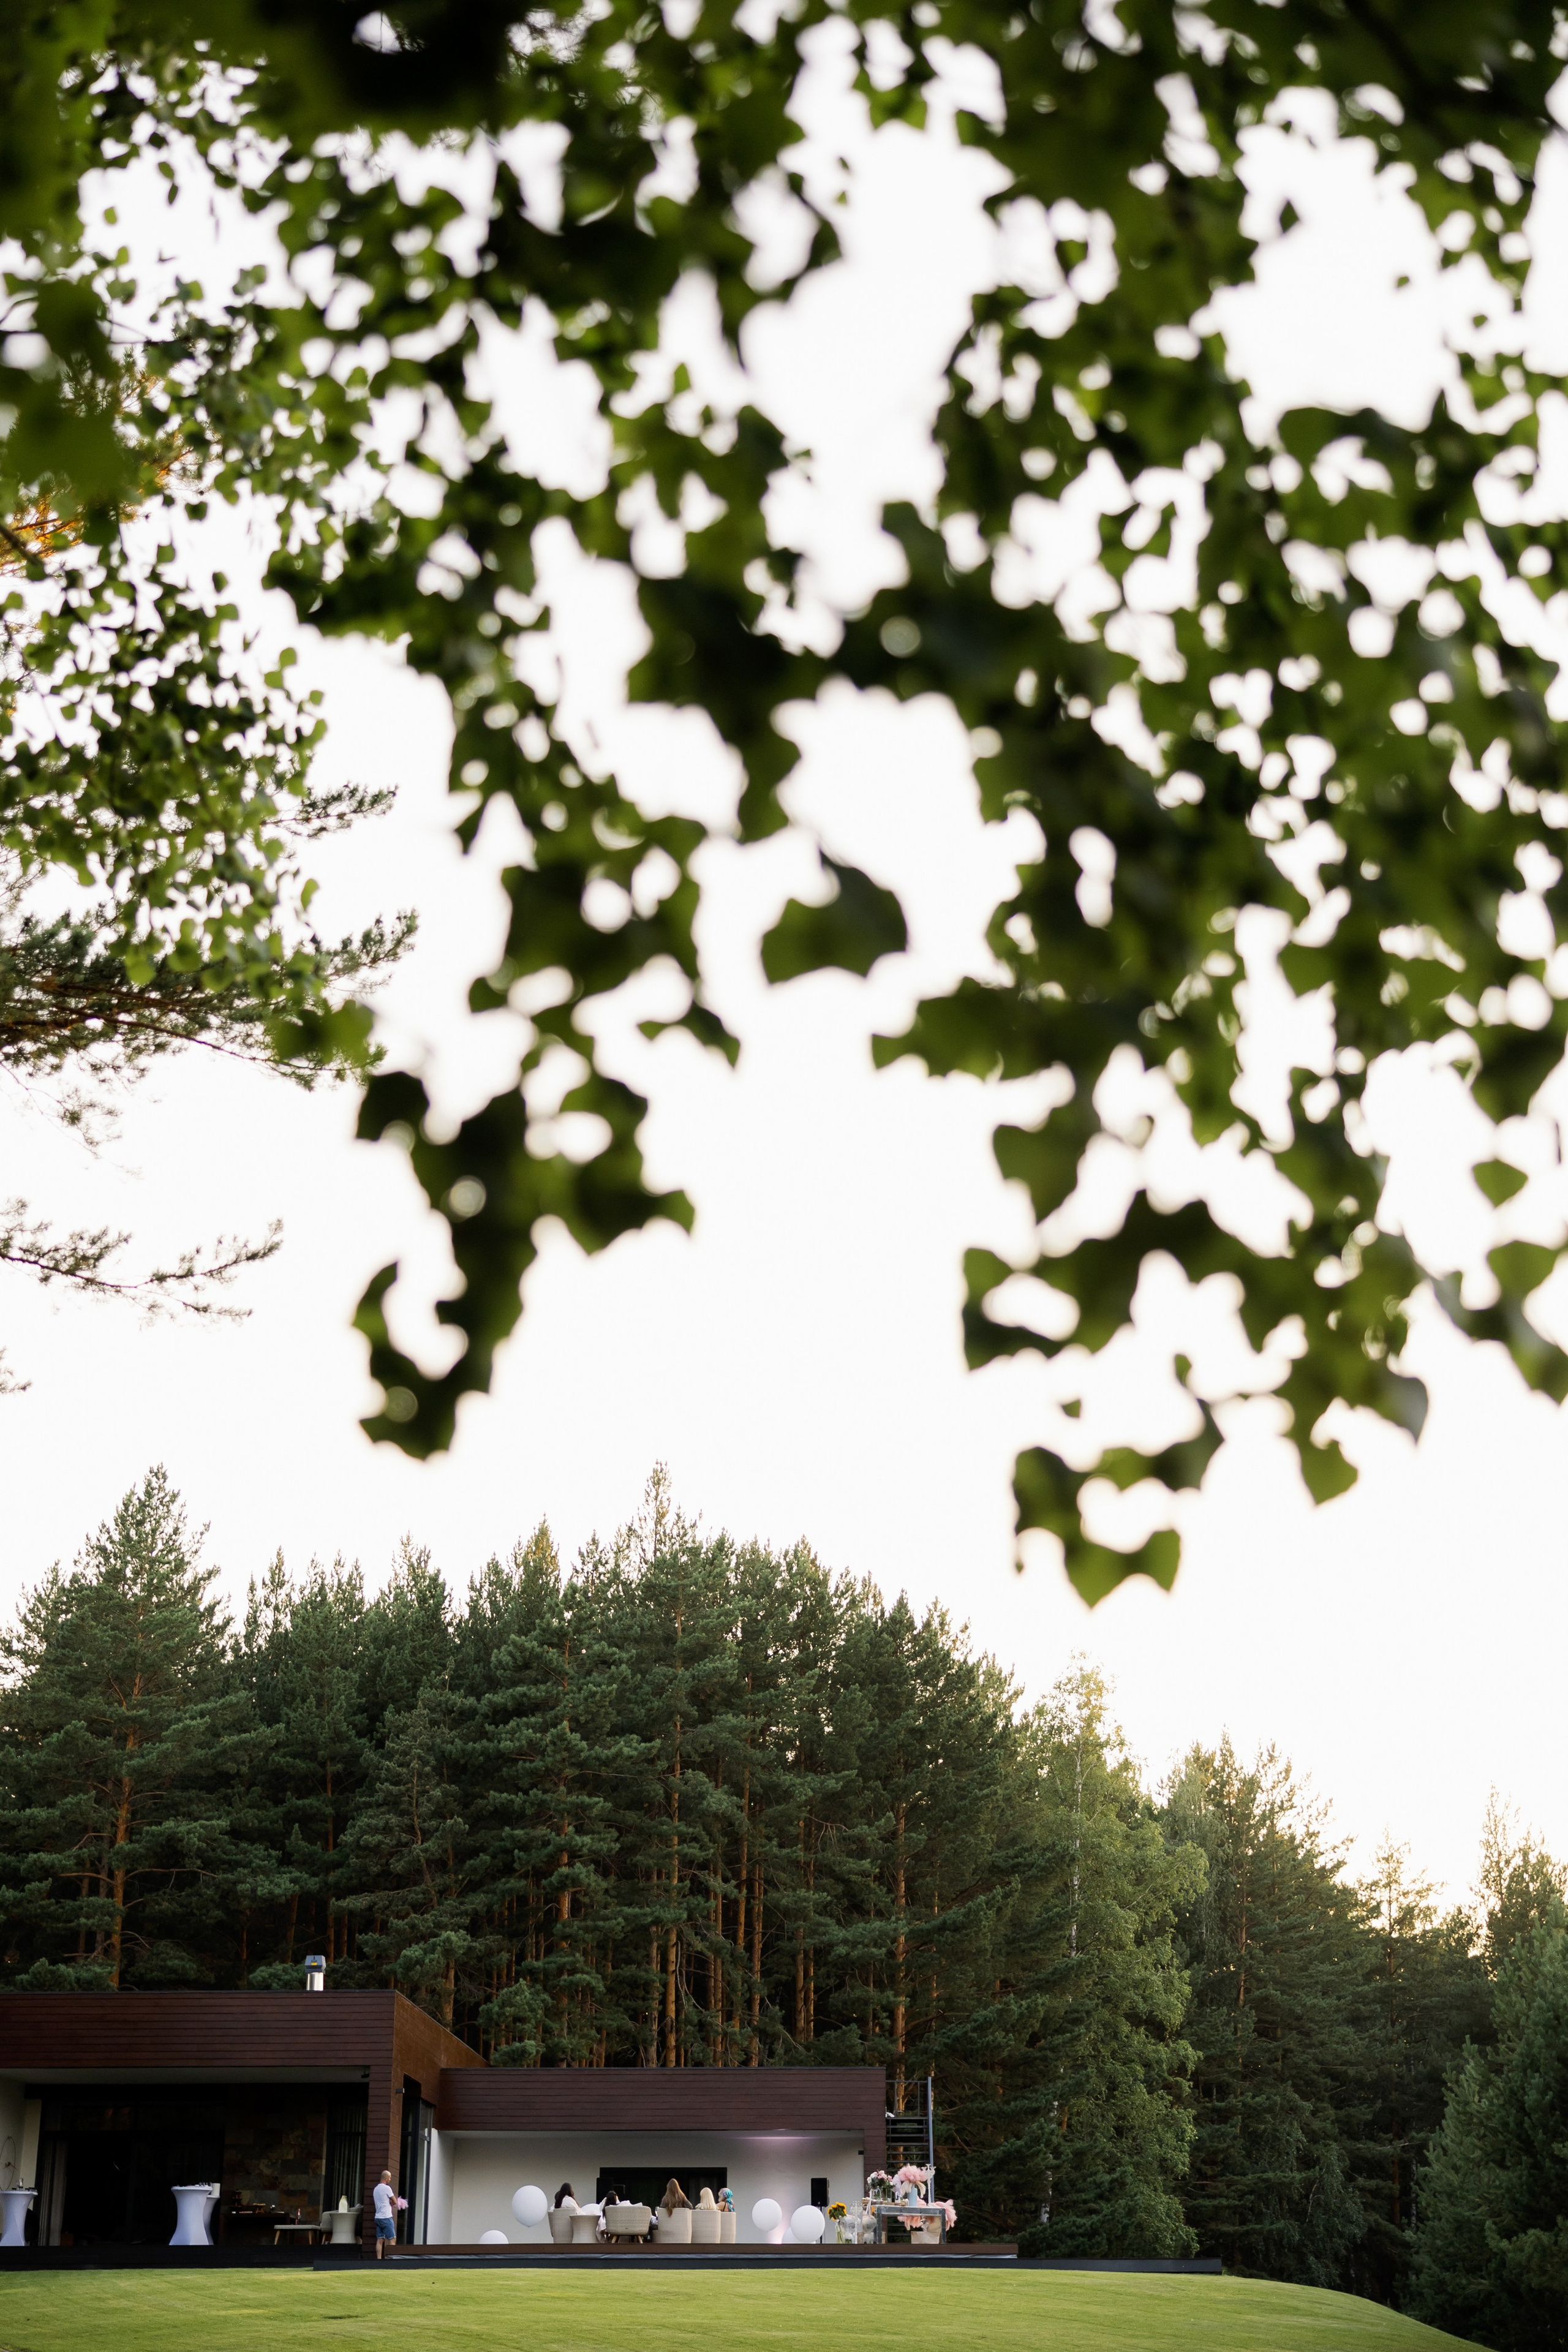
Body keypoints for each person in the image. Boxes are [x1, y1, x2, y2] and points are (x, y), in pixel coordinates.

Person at [372, 2170, 396, 2259]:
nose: (390, 2180)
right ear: (386, 2178)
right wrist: (391, 2204)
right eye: (390, 2178)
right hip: (386, 2217)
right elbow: (394, 2201)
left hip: (378, 2218)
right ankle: (391, 2259)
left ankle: (379, 2259)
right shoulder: (387, 2188)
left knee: (380, 2239)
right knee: (392, 2239)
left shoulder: (376, 2189)